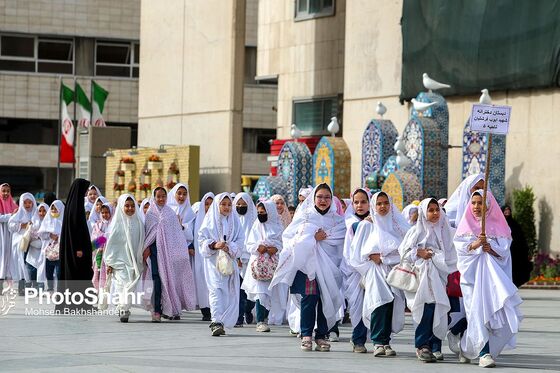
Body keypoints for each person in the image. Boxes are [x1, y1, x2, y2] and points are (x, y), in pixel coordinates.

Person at [270, 184, 346, 352]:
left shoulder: (338, 220)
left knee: (326, 298)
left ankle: (321, 336)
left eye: (327, 197)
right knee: (309, 299)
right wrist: (312, 237)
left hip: (330, 266)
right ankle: (306, 335)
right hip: (307, 266)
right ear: (314, 198)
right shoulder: (304, 216)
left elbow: (340, 238)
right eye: (320, 197)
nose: (323, 200)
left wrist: (322, 239)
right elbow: (289, 237)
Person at [453, 190, 523, 368]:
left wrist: (489, 247)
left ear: (488, 205)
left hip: (493, 280)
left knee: (496, 315)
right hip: (472, 280)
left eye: (480, 203)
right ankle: (484, 353)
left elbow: (504, 253)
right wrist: (476, 245)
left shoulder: (500, 227)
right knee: (477, 314)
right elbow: (460, 253)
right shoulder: (465, 226)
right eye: (474, 203)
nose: (476, 207)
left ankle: (470, 347)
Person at [349, 192, 409, 357]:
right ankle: (377, 342)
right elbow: (356, 255)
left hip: (393, 272)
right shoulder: (367, 225)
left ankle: (386, 341)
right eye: (379, 204)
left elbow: (405, 250)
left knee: (391, 305)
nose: (382, 207)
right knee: (378, 304)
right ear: (373, 206)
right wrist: (371, 262)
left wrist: (385, 258)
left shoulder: (396, 226)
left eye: (385, 203)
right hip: (375, 273)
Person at [399, 198, 457, 362]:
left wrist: (437, 257)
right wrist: (419, 253)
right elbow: (403, 252)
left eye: (437, 209)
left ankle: (434, 345)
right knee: (425, 309)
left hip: (439, 276)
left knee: (438, 309)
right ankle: (422, 345)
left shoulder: (446, 230)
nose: (434, 213)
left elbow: (456, 250)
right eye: (430, 210)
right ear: (424, 212)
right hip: (422, 276)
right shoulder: (415, 231)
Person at [143, 187, 196, 322]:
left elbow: (176, 236)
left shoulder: (170, 213)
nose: (161, 199)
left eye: (163, 197)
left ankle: (171, 308)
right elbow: (148, 234)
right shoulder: (150, 214)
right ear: (154, 198)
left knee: (170, 279)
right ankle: (157, 311)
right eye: (158, 197)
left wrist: (180, 252)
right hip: (155, 252)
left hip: (169, 254)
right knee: (156, 279)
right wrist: (147, 247)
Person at [198, 193, 244, 336]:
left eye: (229, 204)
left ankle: (223, 321)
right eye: (223, 204)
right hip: (213, 263)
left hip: (229, 262)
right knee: (216, 289)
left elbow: (241, 241)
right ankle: (216, 321)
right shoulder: (209, 221)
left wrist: (229, 247)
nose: (226, 207)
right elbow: (202, 240)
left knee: (229, 292)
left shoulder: (235, 222)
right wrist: (214, 245)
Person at [241, 201, 283, 332]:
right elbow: (249, 245)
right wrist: (258, 247)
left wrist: (276, 249)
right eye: (259, 213)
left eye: (263, 212)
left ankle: (266, 316)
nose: (261, 215)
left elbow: (284, 243)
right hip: (258, 265)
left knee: (270, 293)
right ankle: (260, 321)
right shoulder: (256, 226)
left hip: (273, 264)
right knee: (260, 292)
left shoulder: (278, 227)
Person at [104, 194, 146, 323]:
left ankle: (123, 307)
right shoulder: (116, 223)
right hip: (119, 262)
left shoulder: (138, 222)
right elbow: (110, 243)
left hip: (134, 261)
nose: (130, 208)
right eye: (127, 206)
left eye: (133, 206)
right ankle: (124, 309)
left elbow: (141, 241)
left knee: (130, 286)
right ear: (121, 207)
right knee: (122, 285)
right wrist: (109, 262)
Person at [342, 188, 371, 353]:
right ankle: (358, 339)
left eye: (364, 202)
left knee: (374, 304)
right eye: (356, 202)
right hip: (354, 271)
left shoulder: (377, 222)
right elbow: (354, 229)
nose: (360, 205)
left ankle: (380, 340)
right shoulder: (350, 221)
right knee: (358, 306)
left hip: (373, 269)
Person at [58, 178, 94, 311]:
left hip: (77, 250)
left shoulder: (75, 205)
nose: (85, 194)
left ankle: (82, 303)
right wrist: (78, 248)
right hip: (77, 251)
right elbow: (75, 230)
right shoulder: (75, 208)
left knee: (81, 275)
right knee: (78, 275)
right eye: (85, 191)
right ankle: (77, 305)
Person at [233, 192, 257, 326]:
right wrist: (237, 256)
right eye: (238, 204)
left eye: (243, 205)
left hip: (251, 261)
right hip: (236, 261)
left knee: (250, 292)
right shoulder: (233, 222)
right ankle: (238, 317)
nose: (241, 207)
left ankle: (248, 310)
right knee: (239, 291)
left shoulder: (255, 221)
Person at [8, 192, 37, 294]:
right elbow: (11, 225)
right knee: (21, 263)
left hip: (33, 242)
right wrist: (22, 225)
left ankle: (30, 284)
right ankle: (22, 285)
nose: (28, 205)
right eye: (25, 203)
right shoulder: (18, 213)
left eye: (30, 202)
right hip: (21, 242)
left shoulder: (36, 213)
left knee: (30, 263)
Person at [192, 192, 215, 321]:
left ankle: (214, 308)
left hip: (214, 257)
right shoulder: (197, 219)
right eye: (206, 204)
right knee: (201, 280)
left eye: (211, 204)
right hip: (199, 257)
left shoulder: (218, 220)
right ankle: (205, 310)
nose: (208, 207)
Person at [502, 205, 532, 287]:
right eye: (505, 210)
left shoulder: (515, 224)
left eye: (508, 210)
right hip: (505, 252)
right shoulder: (500, 224)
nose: (507, 212)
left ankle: (513, 286)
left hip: (516, 253)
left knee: (516, 270)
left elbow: (521, 238)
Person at [37, 200, 64, 291]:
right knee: (49, 271)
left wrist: (59, 237)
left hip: (60, 251)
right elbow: (41, 233)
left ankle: (60, 289)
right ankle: (50, 288)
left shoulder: (63, 220)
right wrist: (50, 235)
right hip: (48, 251)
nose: (54, 211)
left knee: (59, 272)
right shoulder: (48, 219)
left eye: (56, 209)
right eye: (52, 209)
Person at [25, 202, 48, 289]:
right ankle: (34, 286)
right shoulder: (33, 221)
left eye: (44, 211)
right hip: (33, 251)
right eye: (40, 211)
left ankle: (40, 287)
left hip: (43, 250)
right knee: (32, 269)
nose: (42, 213)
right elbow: (30, 234)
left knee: (41, 270)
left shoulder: (49, 222)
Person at [167, 183, 196, 250]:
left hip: (183, 248)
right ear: (174, 193)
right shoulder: (166, 209)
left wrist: (182, 227)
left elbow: (191, 236)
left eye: (184, 194)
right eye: (179, 193)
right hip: (167, 247)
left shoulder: (190, 213)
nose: (181, 196)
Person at [91, 203, 113, 291]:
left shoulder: (114, 224)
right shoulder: (98, 224)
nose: (105, 215)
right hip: (99, 253)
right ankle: (99, 293)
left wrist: (103, 238)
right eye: (103, 212)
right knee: (97, 275)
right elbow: (94, 242)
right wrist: (104, 238)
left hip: (110, 254)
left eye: (107, 212)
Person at [0, 183, 18, 289]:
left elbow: (19, 214)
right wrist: (11, 215)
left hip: (10, 234)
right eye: (3, 191)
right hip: (1, 234)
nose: (6, 193)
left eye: (8, 191)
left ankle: (7, 280)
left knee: (8, 257)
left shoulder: (12, 203)